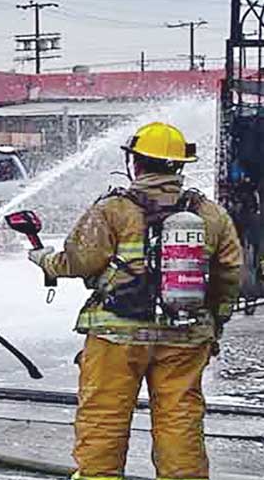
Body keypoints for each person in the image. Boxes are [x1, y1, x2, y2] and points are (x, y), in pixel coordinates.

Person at [27, 123, 242, 480]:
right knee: (180, 418)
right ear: (179, 166)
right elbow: (229, 274)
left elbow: (78, 261)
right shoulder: (210, 214)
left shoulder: (113, 209)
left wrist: (44, 261)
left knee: (104, 416)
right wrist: (214, 323)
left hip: (116, 333)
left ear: (137, 164)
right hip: (186, 334)